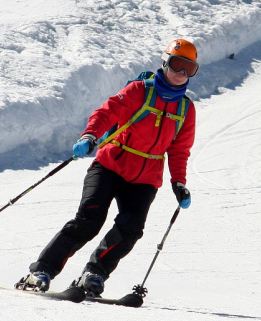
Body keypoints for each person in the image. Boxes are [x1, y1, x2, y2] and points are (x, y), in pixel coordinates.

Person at [16, 39, 198, 296]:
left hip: (145, 178)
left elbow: (179, 150)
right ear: (165, 62)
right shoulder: (139, 90)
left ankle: (94, 274)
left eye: (189, 69)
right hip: (110, 165)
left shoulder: (185, 109)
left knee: (131, 230)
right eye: (177, 65)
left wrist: (178, 182)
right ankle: (41, 271)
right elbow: (105, 113)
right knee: (88, 221)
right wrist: (89, 136)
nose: (181, 74)